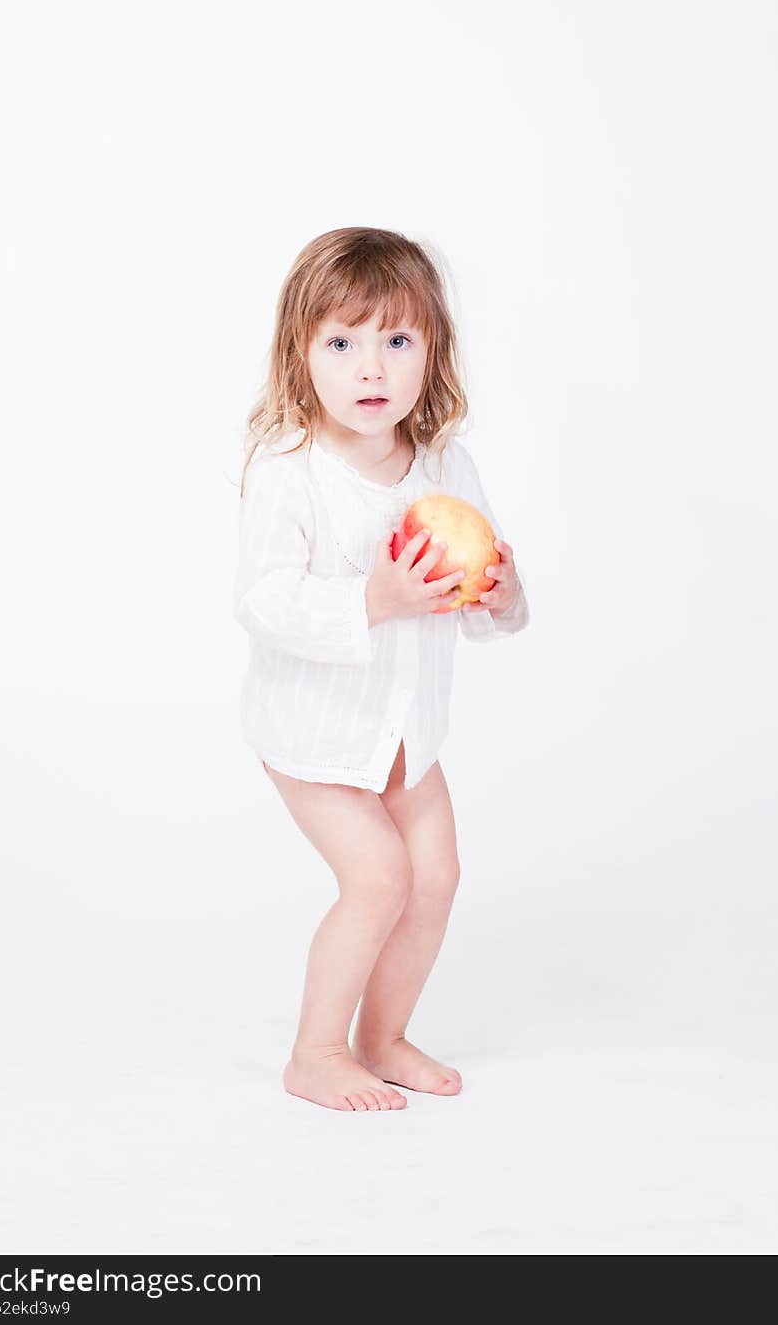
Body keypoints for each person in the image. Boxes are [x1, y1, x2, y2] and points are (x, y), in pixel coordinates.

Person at [233, 226, 530, 1112]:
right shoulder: (293, 472)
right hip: (314, 732)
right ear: (301, 354)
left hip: (406, 730)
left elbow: (489, 605)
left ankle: (384, 1035)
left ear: (431, 352)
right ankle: (315, 1051)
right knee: (379, 879)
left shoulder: (446, 465)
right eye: (342, 342)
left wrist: (500, 591)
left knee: (435, 878)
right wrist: (372, 599)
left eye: (397, 341)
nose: (372, 370)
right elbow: (264, 602)